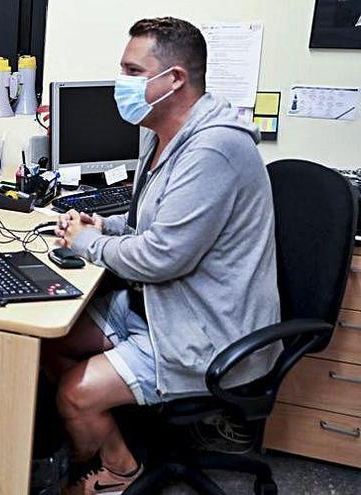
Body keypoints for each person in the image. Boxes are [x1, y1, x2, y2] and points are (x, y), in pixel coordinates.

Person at [41, 17, 281, 494]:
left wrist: (88, 244)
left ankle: (114, 468)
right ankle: (112, 441)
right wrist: (104, 226)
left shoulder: (214, 150)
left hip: (206, 329)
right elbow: (158, 226)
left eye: (132, 71)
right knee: (47, 343)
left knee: (74, 394)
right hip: (160, 306)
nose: (120, 83)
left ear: (174, 80)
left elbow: (161, 257)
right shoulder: (160, 134)